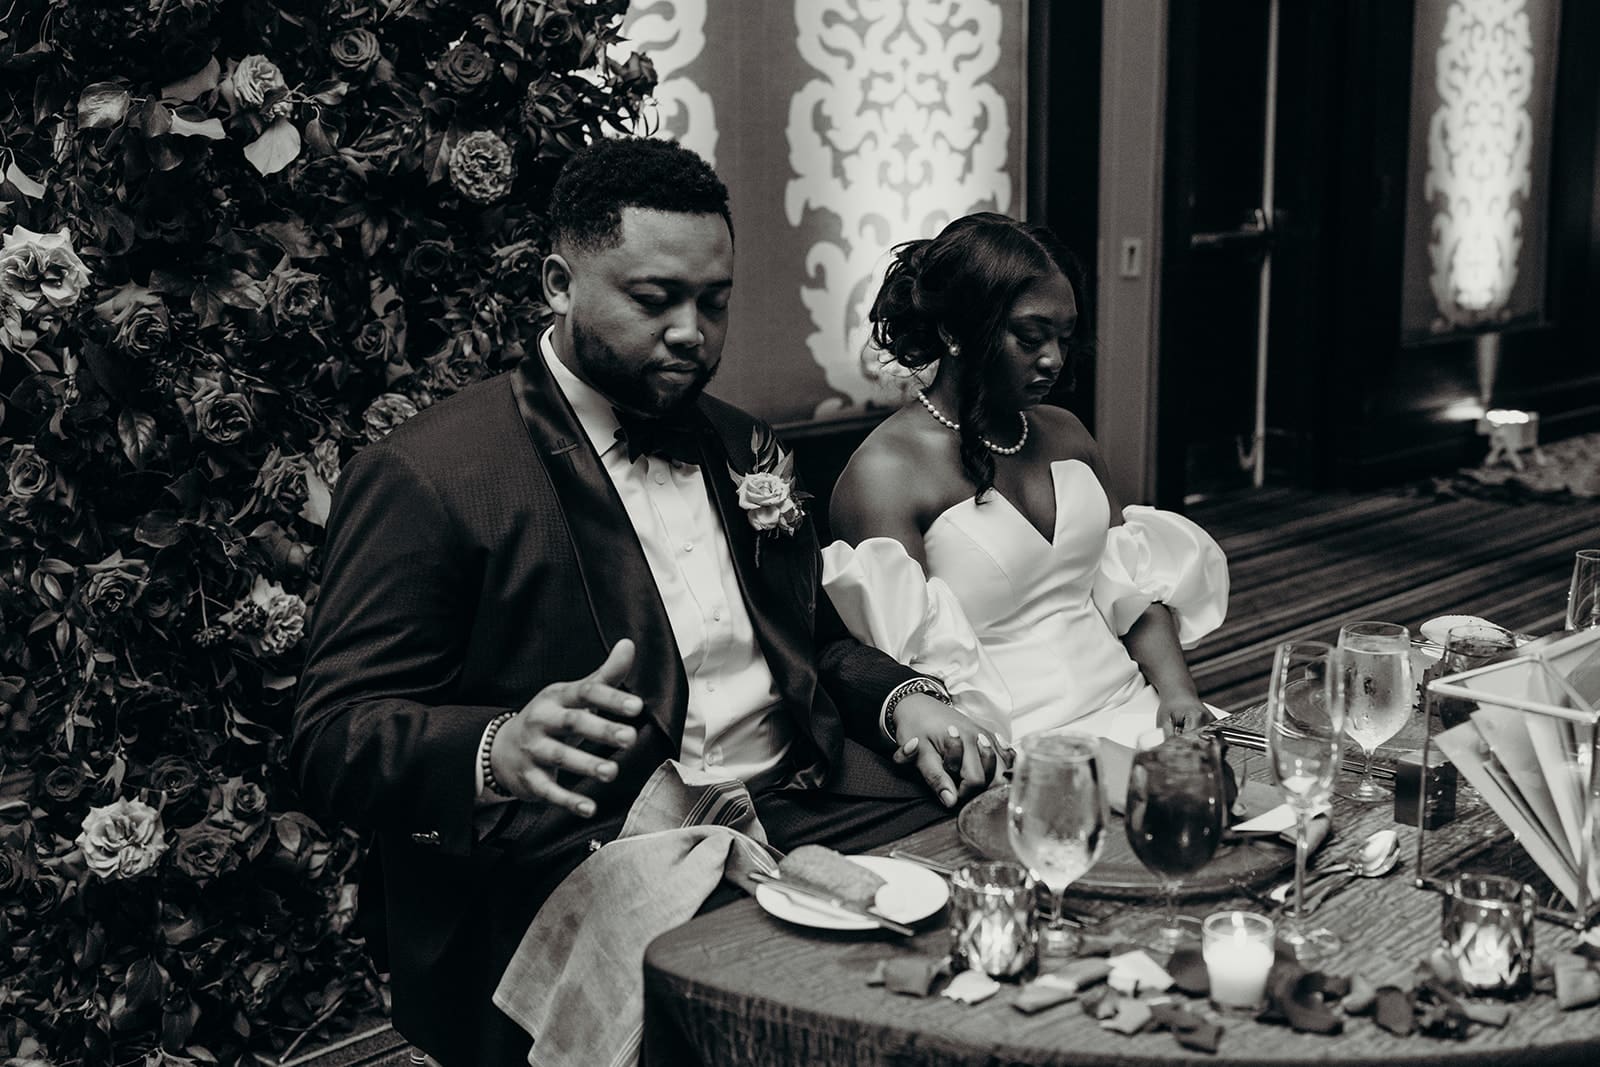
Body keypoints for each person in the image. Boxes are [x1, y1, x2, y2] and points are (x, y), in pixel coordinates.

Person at [291, 139, 986, 1067]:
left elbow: (812, 642)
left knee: (997, 890)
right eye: (655, 300)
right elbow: (332, 736)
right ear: (557, 282)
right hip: (582, 845)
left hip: (800, 796)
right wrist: (496, 747)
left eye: (715, 300)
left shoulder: (744, 444)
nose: (693, 332)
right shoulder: (432, 474)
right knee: (773, 1023)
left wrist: (906, 695)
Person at [823, 212, 1229, 757]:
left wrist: (1177, 695)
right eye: (1030, 337)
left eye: (1065, 338)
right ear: (953, 332)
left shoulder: (1067, 433)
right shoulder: (885, 474)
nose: (1054, 360)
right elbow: (907, 670)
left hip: (1137, 706)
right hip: (1015, 747)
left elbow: (1128, 590)